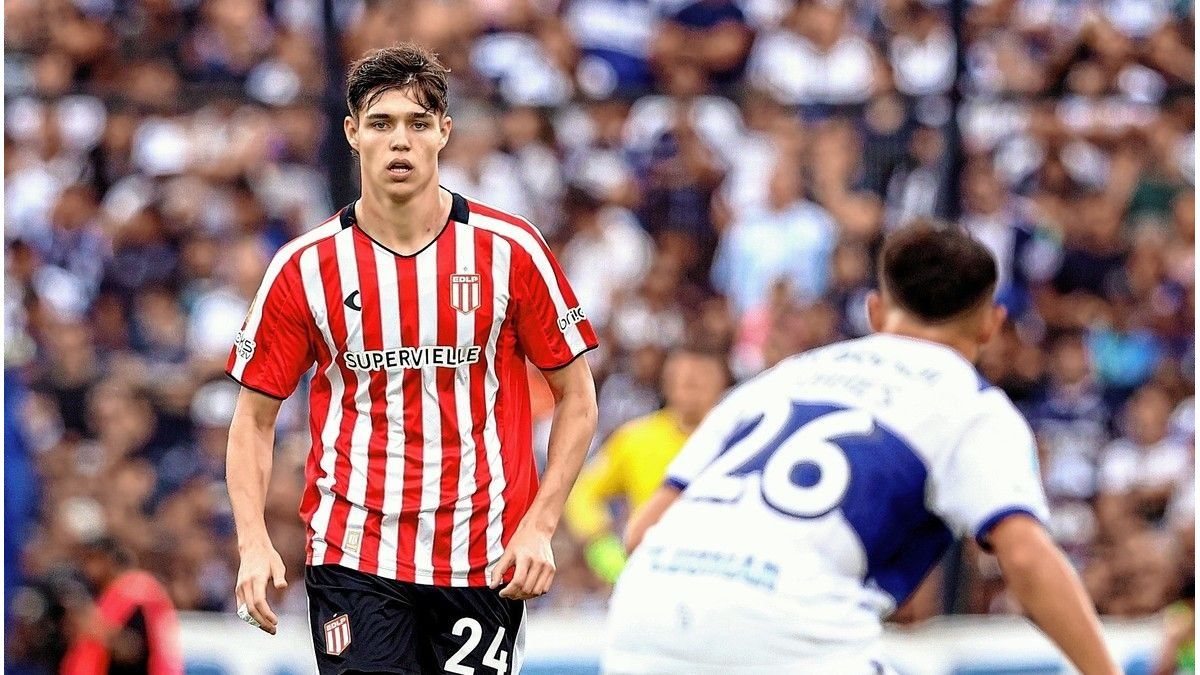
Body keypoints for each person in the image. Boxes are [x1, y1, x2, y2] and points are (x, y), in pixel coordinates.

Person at [224, 43, 599, 674]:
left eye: (418, 123)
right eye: (381, 123)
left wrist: (540, 524)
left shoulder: (510, 250)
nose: (400, 141)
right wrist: (253, 541)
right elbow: (253, 420)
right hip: (354, 551)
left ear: (444, 132)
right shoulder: (304, 268)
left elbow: (579, 397)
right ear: (352, 133)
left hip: (482, 557)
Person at [603, 224, 1119, 674]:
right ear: (992, 323)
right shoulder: (974, 407)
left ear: (875, 311)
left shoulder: (775, 381)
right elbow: (1024, 556)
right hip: (792, 632)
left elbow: (642, 531)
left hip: (643, 619)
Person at [564, 347, 729, 583]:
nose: (688, 386)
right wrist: (602, 548)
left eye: (698, 380)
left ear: (721, 382)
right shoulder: (637, 438)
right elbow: (582, 494)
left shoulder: (739, 440)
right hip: (651, 571)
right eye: (681, 379)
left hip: (719, 573)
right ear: (667, 383)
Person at [59, 537, 183, 675]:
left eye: (93, 560)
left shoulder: (138, 595)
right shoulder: (99, 594)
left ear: (108, 560)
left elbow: (135, 650)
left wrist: (97, 631)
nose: (88, 568)